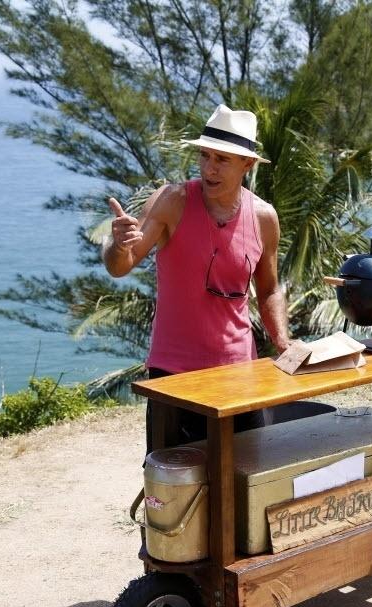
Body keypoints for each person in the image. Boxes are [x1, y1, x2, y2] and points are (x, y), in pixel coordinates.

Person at [101, 104, 290, 451]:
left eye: (222, 159)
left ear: (247, 165)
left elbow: (270, 289)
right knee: (173, 492)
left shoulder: (264, 217)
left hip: (239, 371)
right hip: (174, 374)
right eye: (204, 156)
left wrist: (284, 341)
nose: (209, 168)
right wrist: (117, 244)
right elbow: (120, 265)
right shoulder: (172, 201)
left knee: (246, 481)